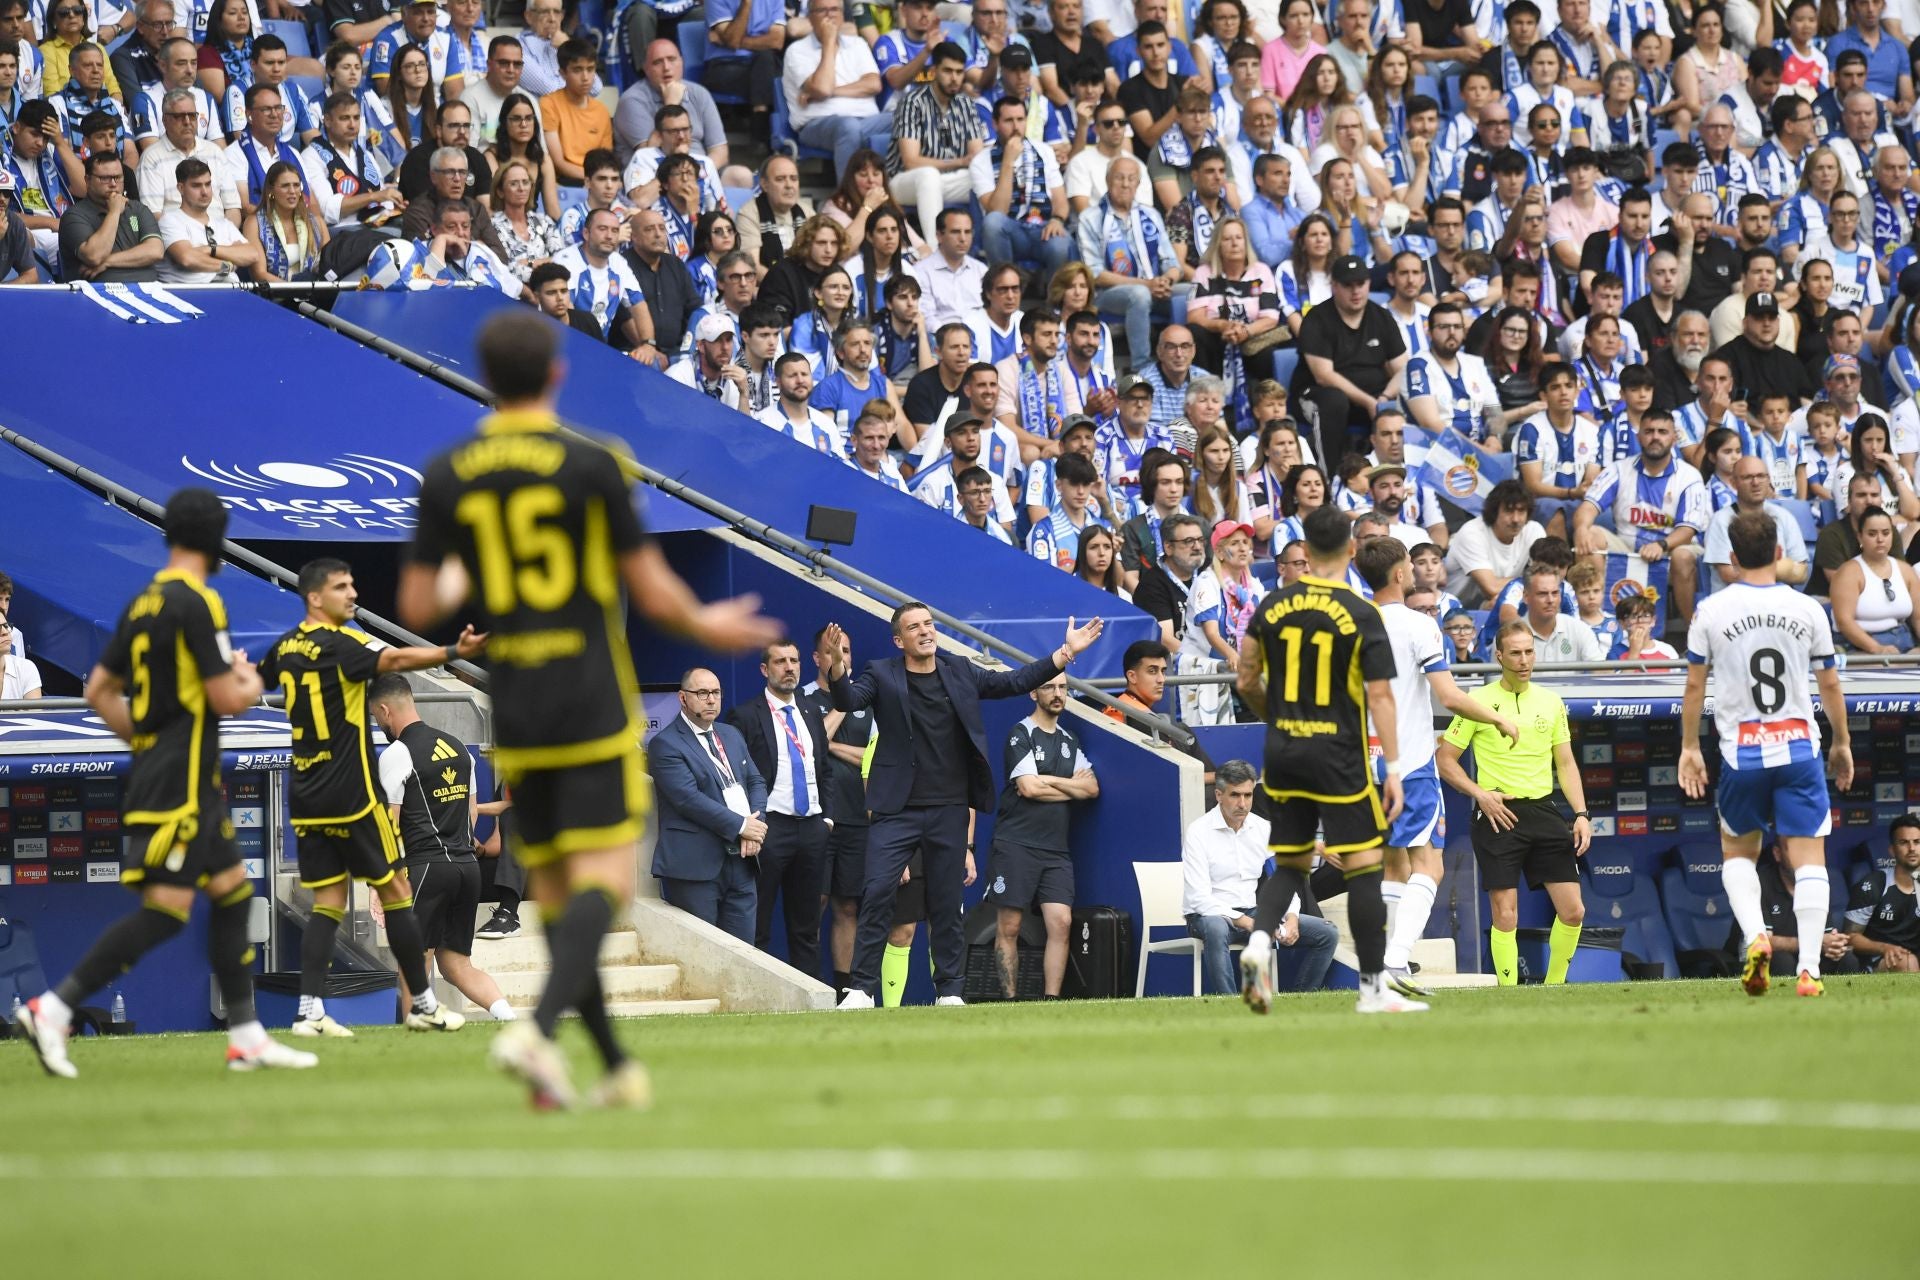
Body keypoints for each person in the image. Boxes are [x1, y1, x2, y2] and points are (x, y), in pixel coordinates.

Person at [396, 310, 780, 1109]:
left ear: (484, 375)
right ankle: (536, 1027)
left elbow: (419, 599)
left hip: (520, 712)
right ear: (558, 375)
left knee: (566, 897)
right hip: (591, 698)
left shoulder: (451, 471)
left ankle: (610, 1068)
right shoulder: (594, 460)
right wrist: (708, 623)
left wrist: (473, 567)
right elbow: (651, 589)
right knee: (604, 884)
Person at [12, 490, 317, 1078]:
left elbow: (99, 689)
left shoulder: (143, 602)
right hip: (180, 783)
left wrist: (147, 745)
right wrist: (252, 685)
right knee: (167, 913)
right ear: (214, 539)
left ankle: (248, 1036)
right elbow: (227, 697)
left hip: (178, 776)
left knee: (231, 893)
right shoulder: (200, 602)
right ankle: (53, 1009)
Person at [821, 606, 1104, 1009]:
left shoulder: (960, 670)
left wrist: (1065, 653)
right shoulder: (880, 673)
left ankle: (950, 991)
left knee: (946, 902)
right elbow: (848, 699)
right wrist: (835, 667)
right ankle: (862, 989)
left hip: (948, 807)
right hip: (895, 809)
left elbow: (1013, 682)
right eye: (914, 627)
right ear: (899, 641)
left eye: (929, 624)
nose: (925, 631)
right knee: (878, 891)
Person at [258, 559, 484, 1039]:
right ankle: (423, 1005)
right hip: (351, 795)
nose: (353, 594)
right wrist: (450, 650)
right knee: (397, 893)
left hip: (307, 794)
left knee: (327, 902)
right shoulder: (345, 644)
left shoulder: (284, 648)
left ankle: (309, 1013)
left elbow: (249, 685)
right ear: (316, 598)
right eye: (343, 587)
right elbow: (396, 661)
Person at [1233, 504, 1418, 1014]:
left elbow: (1246, 679)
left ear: (1305, 551)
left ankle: (1256, 946)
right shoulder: (1361, 612)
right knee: (1363, 867)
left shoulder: (1271, 605)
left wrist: (1279, 718)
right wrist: (1396, 769)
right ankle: (1375, 988)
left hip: (1284, 752)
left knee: (1291, 864)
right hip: (1338, 754)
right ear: (1352, 549)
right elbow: (1380, 696)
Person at [1680, 511, 1853, 999]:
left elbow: (1694, 685)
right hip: (1798, 746)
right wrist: (1841, 742)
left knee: (1737, 852)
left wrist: (1690, 747)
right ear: (1779, 552)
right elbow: (1831, 682)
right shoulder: (1807, 609)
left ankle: (1757, 935)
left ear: (1731, 559)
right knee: (1810, 861)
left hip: (1742, 752)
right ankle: (1810, 971)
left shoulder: (1712, 610)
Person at [1356, 538, 1520, 994]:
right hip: (1407, 763)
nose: (1412, 569)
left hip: (1360, 766)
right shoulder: (1418, 626)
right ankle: (1392, 962)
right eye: (1409, 563)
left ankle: (1385, 961)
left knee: (1394, 866)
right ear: (1398, 575)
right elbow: (1448, 696)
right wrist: (1497, 716)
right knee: (1429, 866)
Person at [1435, 619, 1592, 986]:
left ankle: (1555, 988)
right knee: (1506, 916)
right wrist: (1480, 795)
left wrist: (1582, 814)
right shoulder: (1478, 702)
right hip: (1498, 814)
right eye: (1516, 653)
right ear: (1500, 654)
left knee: (1573, 911)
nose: (1524, 660)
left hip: (1544, 810)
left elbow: (1565, 763)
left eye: (1529, 652)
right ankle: (1509, 993)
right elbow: (1444, 760)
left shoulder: (1551, 702)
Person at [370, 674, 515, 1026]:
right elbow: (472, 812)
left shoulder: (396, 753)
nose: (379, 723)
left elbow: (389, 822)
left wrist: (380, 881)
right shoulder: (459, 748)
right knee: (456, 964)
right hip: (467, 868)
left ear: (386, 710)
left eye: (376, 716)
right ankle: (508, 1017)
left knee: (413, 960)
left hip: (427, 867)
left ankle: (416, 1035)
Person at [726, 640, 837, 978]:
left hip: (812, 827)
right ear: (765, 669)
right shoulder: (745, 715)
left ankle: (810, 998)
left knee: (807, 924)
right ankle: (758, 998)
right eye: (780, 662)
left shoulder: (809, 712)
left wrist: (827, 819)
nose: (789, 667)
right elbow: (735, 775)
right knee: (757, 921)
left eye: (794, 660)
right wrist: (749, 823)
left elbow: (825, 769)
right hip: (770, 827)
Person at [1182, 759, 1339, 995]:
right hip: (1208, 916)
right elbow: (1198, 898)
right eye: (1235, 795)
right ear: (1218, 795)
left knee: (1327, 933)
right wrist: (1246, 922)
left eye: (1248, 795)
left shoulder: (1263, 828)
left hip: (1253, 912)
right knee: (1216, 928)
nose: (1242, 804)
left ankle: (1299, 999)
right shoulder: (1198, 832)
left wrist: (1292, 916)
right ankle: (1229, 1005)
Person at [984, 673, 1097, 999]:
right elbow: (1028, 788)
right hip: (1016, 843)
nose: (1058, 693)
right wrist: (1068, 785)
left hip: (1055, 850)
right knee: (1010, 927)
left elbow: (1091, 788)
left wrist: (1049, 781)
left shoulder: (1069, 739)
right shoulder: (1021, 733)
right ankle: (1010, 1000)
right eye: (1050, 687)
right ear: (1034, 692)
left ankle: (1051, 1001)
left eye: (1063, 687)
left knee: (1061, 923)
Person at [650, 668, 768, 942]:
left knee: (744, 956)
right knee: (701, 954)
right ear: (682, 697)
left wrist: (755, 826)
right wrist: (742, 826)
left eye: (715, 692)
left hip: (742, 861)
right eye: (702, 693)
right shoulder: (665, 744)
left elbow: (756, 781)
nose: (711, 700)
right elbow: (688, 799)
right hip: (696, 866)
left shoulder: (731, 735)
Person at [1574, 410, 1707, 625]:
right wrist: (1581, 528)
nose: (1655, 437)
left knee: (1683, 556)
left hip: (1672, 550)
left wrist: (1661, 545)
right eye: (1649, 431)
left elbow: (1687, 530)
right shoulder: (1618, 470)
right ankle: (1597, 625)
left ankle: (1693, 631)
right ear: (1639, 437)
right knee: (1591, 535)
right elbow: (1588, 506)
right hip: (1627, 549)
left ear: (1674, 438)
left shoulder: (1689, 476)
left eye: (1662, 432)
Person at [1294, 253, 1408, 458]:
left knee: (1414, 393)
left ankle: (1403, 474)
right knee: (1334, 401)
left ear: (1369, 284)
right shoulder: (1317, 318)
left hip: (1375, 397)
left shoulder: (1381, 316)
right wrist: (1368, 402)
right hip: (1318, 394)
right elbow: (1324, 376)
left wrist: (1384, 398)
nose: (1356, 291)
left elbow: (1403, 368)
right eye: (1348, 285)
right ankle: (1329, 480)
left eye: (1360, 284)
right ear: (1334, 286)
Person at [1703, 456, 1811, 588]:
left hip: (1779, 602)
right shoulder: (1721, 520)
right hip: (1735, 603)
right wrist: (1784, 568)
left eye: (1761, 476)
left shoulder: (1784, 516)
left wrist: (1749, 569)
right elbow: (1729, 574)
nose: (1755, 482)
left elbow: (1802, 572)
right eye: (1747, 477)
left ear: (1769, 479)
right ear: (1733, 482)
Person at [59, 151, 161, 281]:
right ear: (88, 180)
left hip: (148, 290)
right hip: (97, 294)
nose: (113, 184)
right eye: (105, 178)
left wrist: (108, 261)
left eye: (118, 177)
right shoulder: (74, 216)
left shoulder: (138, 209)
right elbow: (94, 256)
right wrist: (114, 212)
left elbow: (155, 250)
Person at [1829, 510, 1920, 652]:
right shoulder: (1848, 573)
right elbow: (1844, 622)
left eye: (1885, 533)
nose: (1880, 539)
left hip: (1904, 641)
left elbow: (1918, 618)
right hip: (1859, 646)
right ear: (1860, 537)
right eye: (1872, 534)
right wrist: (1877, 649)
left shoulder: (1906, 570)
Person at [1445, 477, 1544, 605]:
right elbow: (1491, 589)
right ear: (1494, 511)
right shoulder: (1472, 533)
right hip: (1455, 611)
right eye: (1509, 511)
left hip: (1497, 604)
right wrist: (1533, 581)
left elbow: (1547, 579)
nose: (1516, 519)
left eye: (1521, 511)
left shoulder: (1533, 530)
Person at [157, 156, 256, 283]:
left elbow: (252, 254)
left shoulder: (224, 224)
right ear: (181, 188)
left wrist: (211, 249)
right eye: (196, 186)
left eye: (208, 184)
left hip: (230, 291)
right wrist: (228, 265)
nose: (205, 192)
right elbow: (187, 258)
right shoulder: (170, 220)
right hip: (191, 295)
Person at [1845, 815, 1920, 973]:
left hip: (1914, 955)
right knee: (1908, 962)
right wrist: (1884, 948)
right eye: (1904, 842)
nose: (1912, 848)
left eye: (1917, 842)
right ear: (1892, 850)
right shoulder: (1874, 885)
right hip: (1876, 959)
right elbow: (1850, 937)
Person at [541, 40, 613, 189]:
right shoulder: (549, 104)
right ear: (562, 73)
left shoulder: (601, 110)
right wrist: (593, 179)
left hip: (597, 182)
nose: (585, 77)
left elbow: (606, 160)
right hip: (564, 182)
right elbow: (559, 163)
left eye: (590, 69)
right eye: (577, 70)